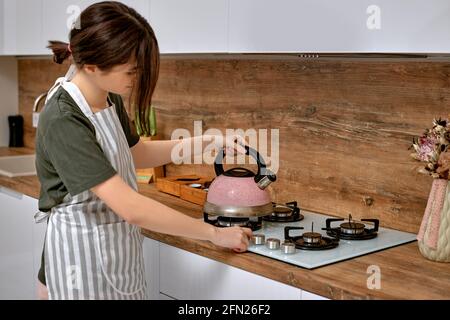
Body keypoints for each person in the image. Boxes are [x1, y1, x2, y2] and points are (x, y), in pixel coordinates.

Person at [35, 1, 252, 300]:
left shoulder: (109, 98)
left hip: (116, 255)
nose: (136, 78)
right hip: (79, 264)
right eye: (131, 71)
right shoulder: (64, 117)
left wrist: (206, 142)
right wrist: (214, 233)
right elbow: (131, 208)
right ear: (93, 65)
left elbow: (135, 153)